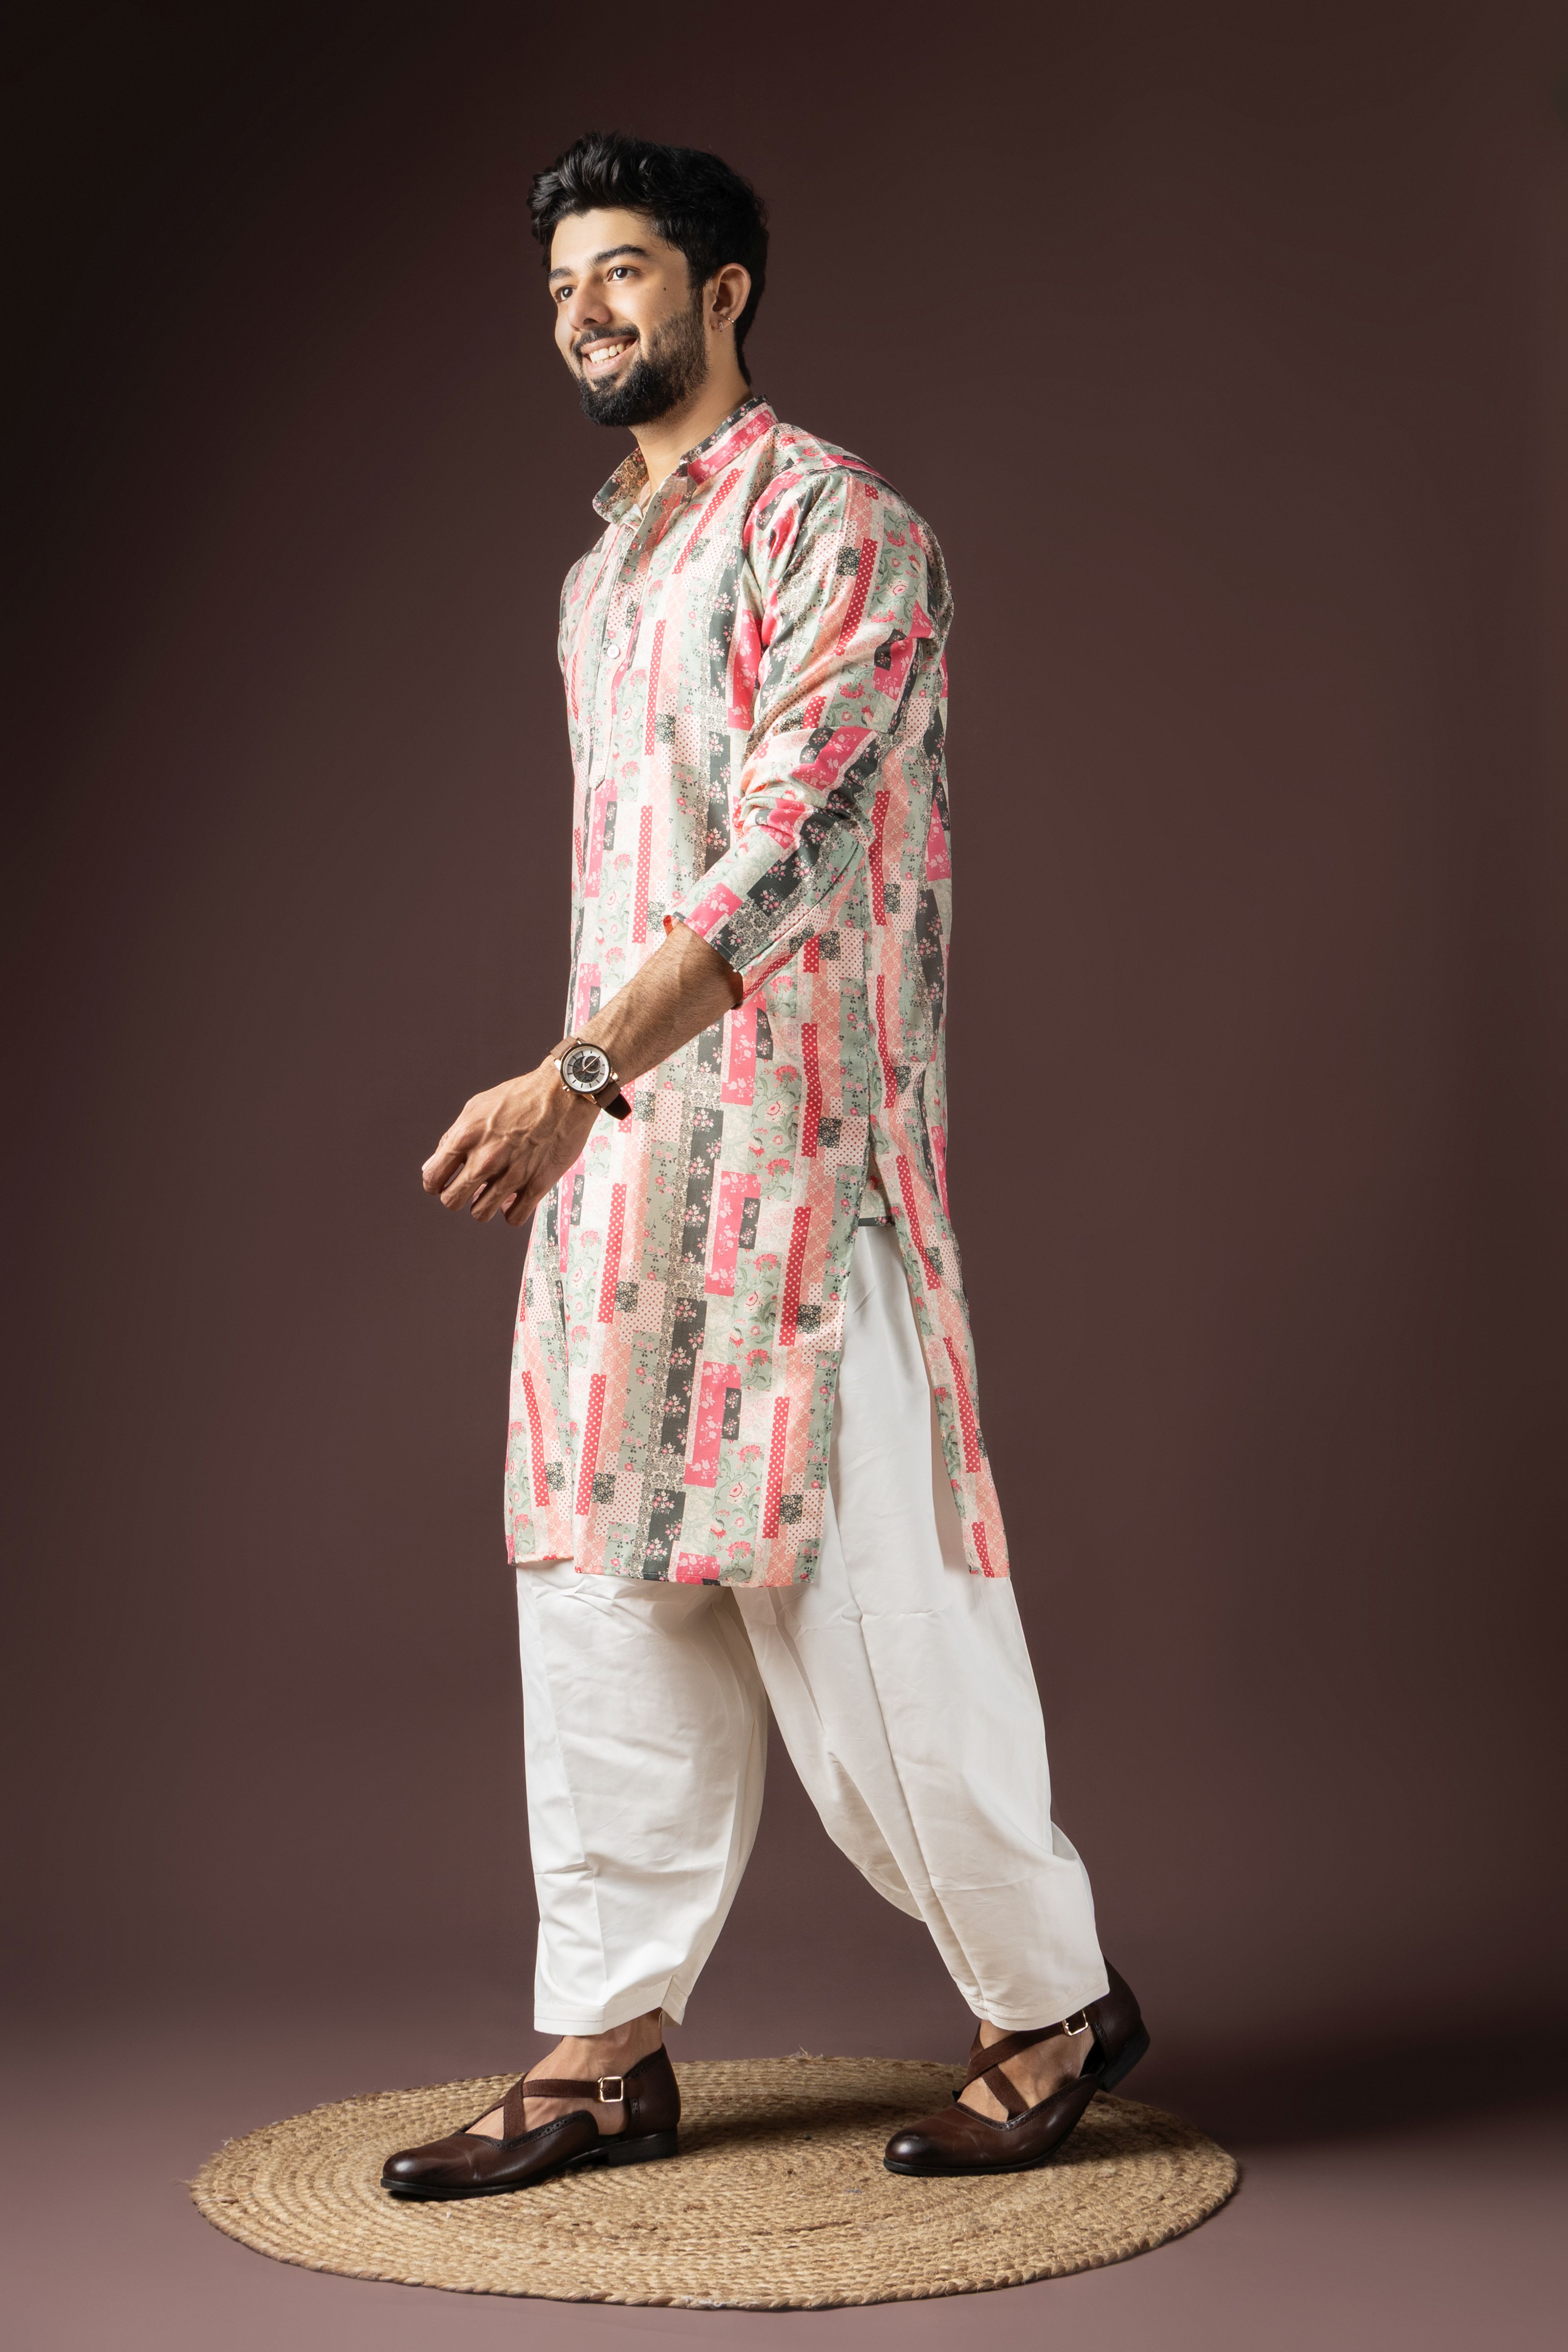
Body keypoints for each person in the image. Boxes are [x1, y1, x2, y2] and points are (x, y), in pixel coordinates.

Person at [383, 132, 1146, 2201]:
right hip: (626, 1165)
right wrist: (591, 1096)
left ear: (724, 292)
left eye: (625, 271)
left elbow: (795, 842)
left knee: (886, 1622)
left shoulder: (843, 527)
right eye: (563, 284)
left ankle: (1048, 2005)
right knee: (599, 1602)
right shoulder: (599, 580)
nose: (585, 312)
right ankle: (602, 2048)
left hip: (808, 1170)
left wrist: (573, 1068)